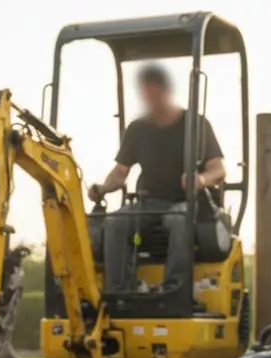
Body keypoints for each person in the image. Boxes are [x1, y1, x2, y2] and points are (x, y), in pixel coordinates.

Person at [88, 63, 226, 293]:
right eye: (144, 95)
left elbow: (219, 170)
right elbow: (120, 173)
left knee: (179, 220)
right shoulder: (138, 129)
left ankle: (174, 291)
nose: (149, 101)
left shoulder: (196, 124)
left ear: (165, 91)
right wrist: (102, 188)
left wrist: (200, 180)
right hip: (147, 204)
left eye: (152, 94)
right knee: (114, 223)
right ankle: (120, 294)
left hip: (186, 202)